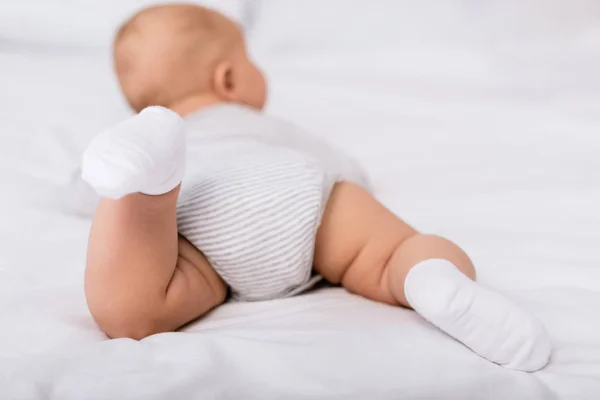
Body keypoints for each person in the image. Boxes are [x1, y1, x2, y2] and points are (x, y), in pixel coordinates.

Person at [79, 3, 551, 371]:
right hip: (292, 185)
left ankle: (152, 189)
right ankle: (430, 281)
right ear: (228, 78)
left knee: (133, 312)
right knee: (392, 253)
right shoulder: (273, 130)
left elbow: (82, 195)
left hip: (195, 218)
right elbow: (345, 170)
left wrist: (129, 205)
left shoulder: (161, 141)